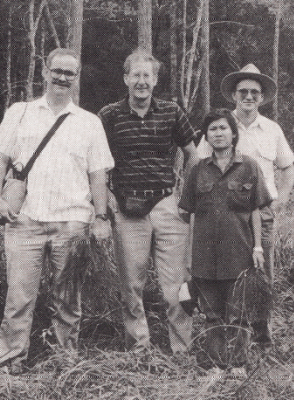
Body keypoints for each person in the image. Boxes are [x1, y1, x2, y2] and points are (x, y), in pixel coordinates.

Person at [0, 48, 115, 374]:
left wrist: (100, 218)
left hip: (72, 223)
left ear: (76, 77)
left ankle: (64, 361)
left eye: (68, 73)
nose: (61, 77)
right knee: (19, 297)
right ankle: (11, 362)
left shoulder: (89, 122)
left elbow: (98, 174)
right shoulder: (20, 112)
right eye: (56, 71)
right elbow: (0, 159)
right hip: (24, 220)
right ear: (45, 72)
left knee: (68, 299)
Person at [98, 49, 197, 355]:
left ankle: (182, 351)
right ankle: (138, 350)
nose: (141, 81)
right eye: (135, 75)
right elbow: (98, 163)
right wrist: (108, 198)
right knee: (131, 287)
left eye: (147, 76)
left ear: (155, 80)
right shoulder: (109, 116)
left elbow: (193, 154)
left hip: (168, 205)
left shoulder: (172, 111)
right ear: (126, 78)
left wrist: (186, 197)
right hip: (128, 211)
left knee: (175, 287)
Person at [197, 64, 294, 347]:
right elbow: (201, 166)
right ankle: (229, 333)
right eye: (243, 92)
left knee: (261, 272)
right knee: (226, 271)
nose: (249, 97)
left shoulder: (272, 129)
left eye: (255, 92)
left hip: (261, 214)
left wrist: (281, 199)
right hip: (224, 215)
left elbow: (287, 168)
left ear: (262, 97)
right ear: (234, 95)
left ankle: (263, 335)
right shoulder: (221, 126)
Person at [179, 109, 271, 379]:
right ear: (206, 136)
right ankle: (217, 365)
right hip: (205, 254)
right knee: (211, 313)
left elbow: (256, 209)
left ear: (234, 133)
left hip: (239, 251)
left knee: (239, 311)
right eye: (212, 130)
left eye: (223, 128)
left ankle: (239, 363)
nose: (218, 134)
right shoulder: (197, 170)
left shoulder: (250, 166)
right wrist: (188, 258)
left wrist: (257, 248)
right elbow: (189, 214)